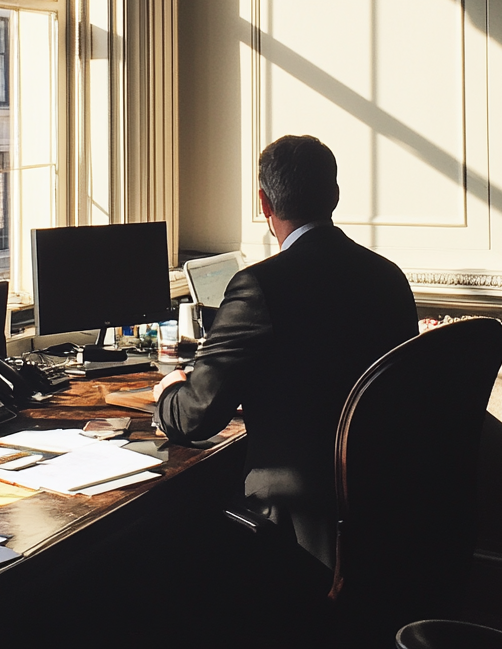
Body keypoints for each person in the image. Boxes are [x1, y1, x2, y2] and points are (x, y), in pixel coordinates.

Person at [153, 134, 418, 569]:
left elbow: (195, 418)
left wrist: (170, 391)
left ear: (264, 203)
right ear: (334, 194)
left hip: (298, 513)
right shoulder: (389, 277)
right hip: (382, 498)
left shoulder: (260, 286)